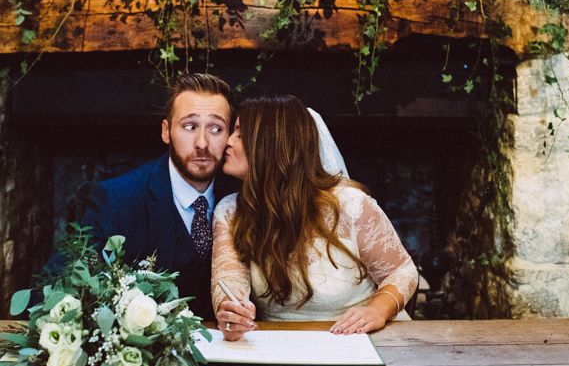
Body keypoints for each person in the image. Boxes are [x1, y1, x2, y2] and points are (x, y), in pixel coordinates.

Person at [211, 94, 419, 339]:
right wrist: (230, 311)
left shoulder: (350, 205)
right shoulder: (229, 211)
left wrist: (378, 310)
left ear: (271, 145)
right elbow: (228, 278)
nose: (228, 142)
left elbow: (402, 271)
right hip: (281, 343)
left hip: (364, 339)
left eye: (240, 135)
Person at [77, 73, 234, 320]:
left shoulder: (242, 195)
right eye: (190, 126)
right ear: (166, 131)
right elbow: (63, 284)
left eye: (216, 129)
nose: (202, 143)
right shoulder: (117, 198)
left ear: (230, 136)